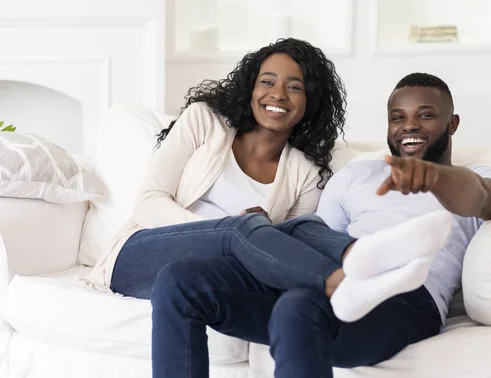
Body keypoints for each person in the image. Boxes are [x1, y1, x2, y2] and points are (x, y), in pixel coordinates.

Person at [150, 73, 491, 378]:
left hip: (408, 296)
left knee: (298, 306)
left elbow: (485, 199)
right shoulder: (358, 174)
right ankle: (354, 265)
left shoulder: (479, 177)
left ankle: (372, 268)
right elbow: (317, 238)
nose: (409, 125)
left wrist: (434, 179)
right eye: (397, 117)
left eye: (425, 115)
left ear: (452, 124)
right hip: (336, 280)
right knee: (180, 281)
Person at [85, 38, 348, 297]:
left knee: (297, 232)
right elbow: (148, 203)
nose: (278, 94)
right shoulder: (204, 121)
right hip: (141, 254)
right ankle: (339, 283)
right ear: (251, 89)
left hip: (215, 275)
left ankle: (357, 264)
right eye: (267, 82)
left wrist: (257, 233)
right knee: (243, 228)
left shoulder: (306, 175)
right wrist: (227, 231)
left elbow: (284, 252)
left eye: (294, 87)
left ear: (310, 100)